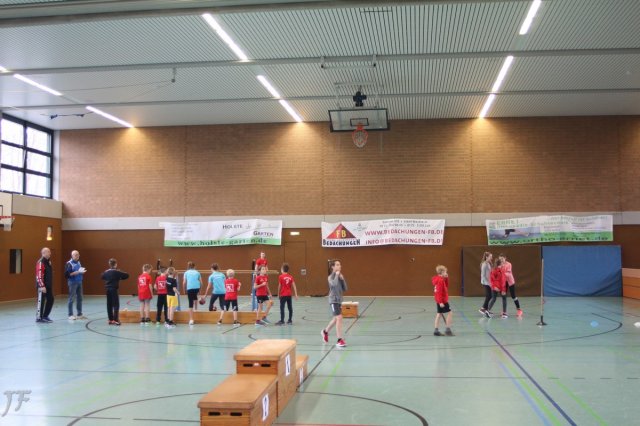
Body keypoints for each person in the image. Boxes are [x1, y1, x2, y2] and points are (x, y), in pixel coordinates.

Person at [321, 259, 347, 347]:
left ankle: (325, 331)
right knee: (339, 318)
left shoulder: (339, 276)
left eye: (340, 264)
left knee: (336, 319)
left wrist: (342, 279)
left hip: (339, 300)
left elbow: (345, 288)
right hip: (333, 300)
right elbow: (334, 284)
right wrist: (336, 275)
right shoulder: (330, 277)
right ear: (333, 267)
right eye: (337, 264)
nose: (340, 266)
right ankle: (339, 340)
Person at [101, 258, 129, 326]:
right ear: (115, 264)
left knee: (109, 304)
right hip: (114, 289)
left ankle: (110, 320)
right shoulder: (116, 272)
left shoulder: (106, 272)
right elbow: (127, 275)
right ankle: (116, 320)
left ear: (109, 264)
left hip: (108, 289)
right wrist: (119, 277)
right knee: (116, 305)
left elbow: (102, 276)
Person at [65, 250, 87, 320]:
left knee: (80, 298)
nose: (77, 256)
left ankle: (79, 314)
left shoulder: (79, 262)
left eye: (78, 254)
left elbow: (79, 271)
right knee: (71, 298)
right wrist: (75, 273)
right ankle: (70, 314)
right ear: (72, 256)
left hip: (79, 282)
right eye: (76, 255)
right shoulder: (69, 264)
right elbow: (67, 275)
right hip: (72, 283)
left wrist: (81, 272)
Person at [432, 265, 454, 336]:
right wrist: (440, 302)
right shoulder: (440, 281)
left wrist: (446, 278)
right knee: (450, 313)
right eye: (445, 272)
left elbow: (446, 287)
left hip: (440, 300)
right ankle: (448, 330)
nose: (446, 273)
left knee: (439, 314)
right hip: (442, 300)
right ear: (442, 272)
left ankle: (436, 330)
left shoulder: (439, 279)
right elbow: (439, 292)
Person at [36, 247, 54, 323]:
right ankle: (39, 318)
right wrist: (42, 286)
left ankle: (45, 316)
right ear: (43, 253)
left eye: (50, 252)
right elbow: (39, 276)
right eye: (48, 252)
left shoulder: (48, 262)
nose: (50, 253)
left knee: (51, 299)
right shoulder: (41, 262)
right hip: (42, 286)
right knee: (41, 301)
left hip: (48, 286)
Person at [183, 261, 203, 325]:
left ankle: (191, 319)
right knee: (195, 297)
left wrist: (184, 290)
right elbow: (201, 283)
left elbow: (184, 282)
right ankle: (196, 309)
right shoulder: (197, 272)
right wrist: (200, 290)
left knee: (190, 302)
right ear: (194, 266)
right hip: (196, 288)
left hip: (190, 288)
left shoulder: (186, 272)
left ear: (188, 266)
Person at [478, 252, 494, 318]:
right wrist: (488, 283)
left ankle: (486, 310)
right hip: (485, 282)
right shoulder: (484, 264)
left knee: (489, 296)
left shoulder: (489, 263)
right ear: (486, 257)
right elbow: (483, 275)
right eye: (490, 256)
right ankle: (483, 309)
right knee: (489, 296)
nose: (491, 258)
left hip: (489, 282)